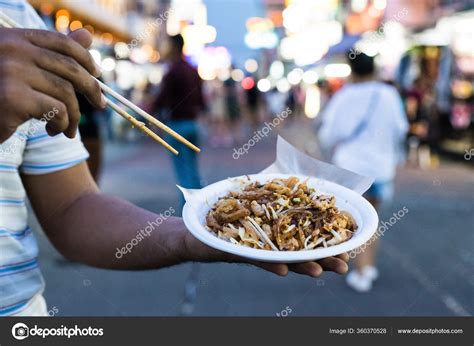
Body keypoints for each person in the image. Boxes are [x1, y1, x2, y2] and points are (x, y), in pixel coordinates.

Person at [0, 2, 348, 316]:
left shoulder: (22, 22)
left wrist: (190, 235)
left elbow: (71, 206)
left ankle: (199, 210)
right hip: (190, 122)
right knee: (188, 168)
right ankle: (198, 203)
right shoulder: (187, 69)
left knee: (185, 167)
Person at [318, 52, 408, 293]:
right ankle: (367, 266)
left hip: (351, 169)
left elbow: (328, 136)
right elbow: (401, 129)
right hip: (381, 169)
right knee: (373, 220)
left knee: (356, 222)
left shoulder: (344, 97)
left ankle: (361, 271)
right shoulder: (389, 95)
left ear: (351, 69)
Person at [152, 34, 204, 202]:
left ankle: (188, 218)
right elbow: (202, 101)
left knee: (184, 178)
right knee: (193, 173)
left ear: (173, 47)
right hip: (193, 124)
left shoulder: (173, 71)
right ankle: (202, 211)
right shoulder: (192, 70)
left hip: (176, 127)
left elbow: (160, 100)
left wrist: (146, 115)